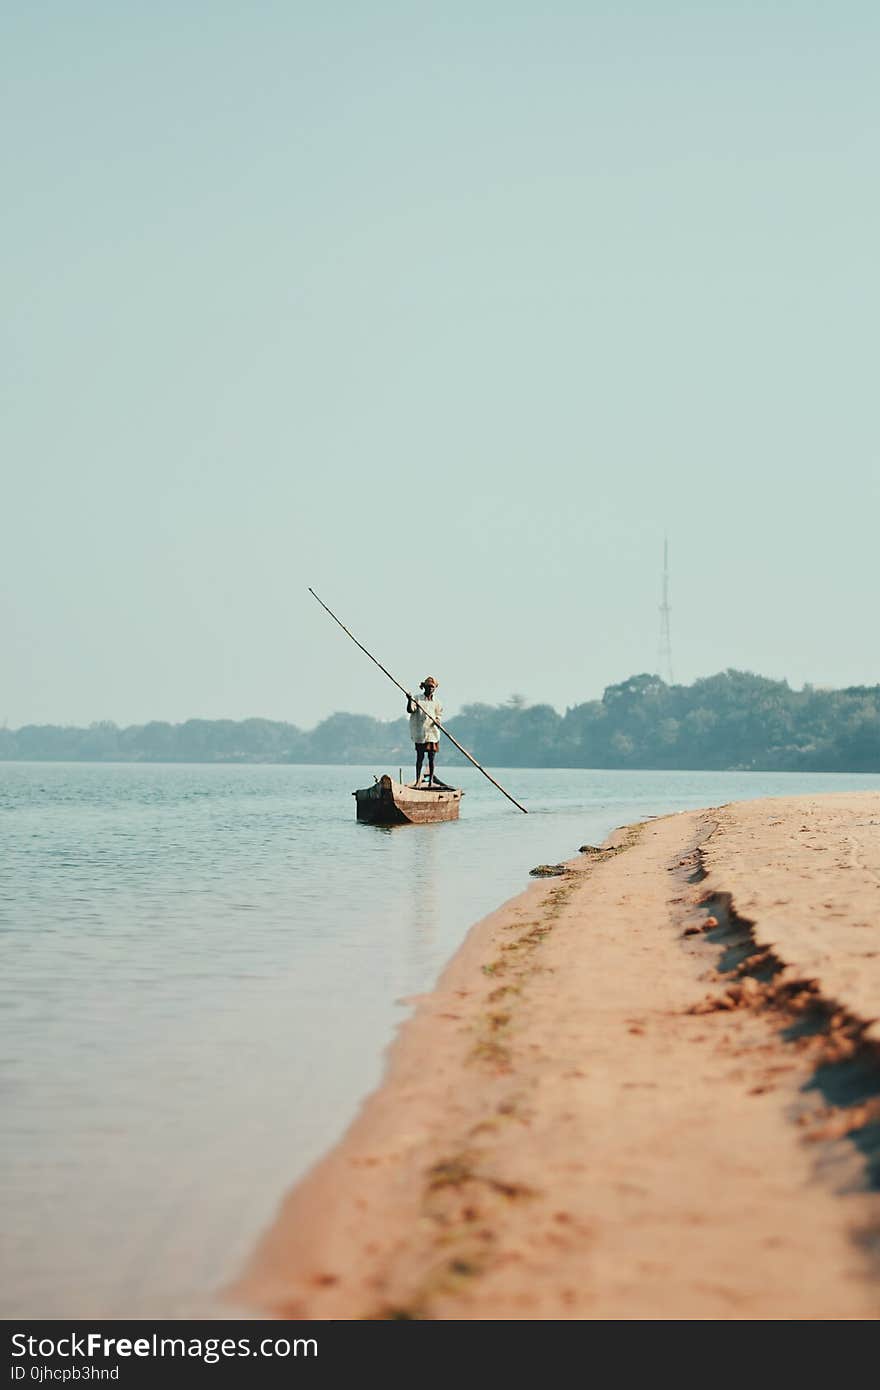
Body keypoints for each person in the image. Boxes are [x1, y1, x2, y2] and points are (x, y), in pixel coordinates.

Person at [406, 677, 443, 786]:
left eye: (432, 687)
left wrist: (437, 721)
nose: (430, 689)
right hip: (420, 733)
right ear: (424, 687)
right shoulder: (417, 699)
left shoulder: (437, 702)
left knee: (431, 758)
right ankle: (418, 780)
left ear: (435, 688)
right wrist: (409, 700)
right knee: (420, 757)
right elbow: (410, 710)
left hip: (432, 733)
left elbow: (439, 715)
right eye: (428, 687)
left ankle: (431, 781)